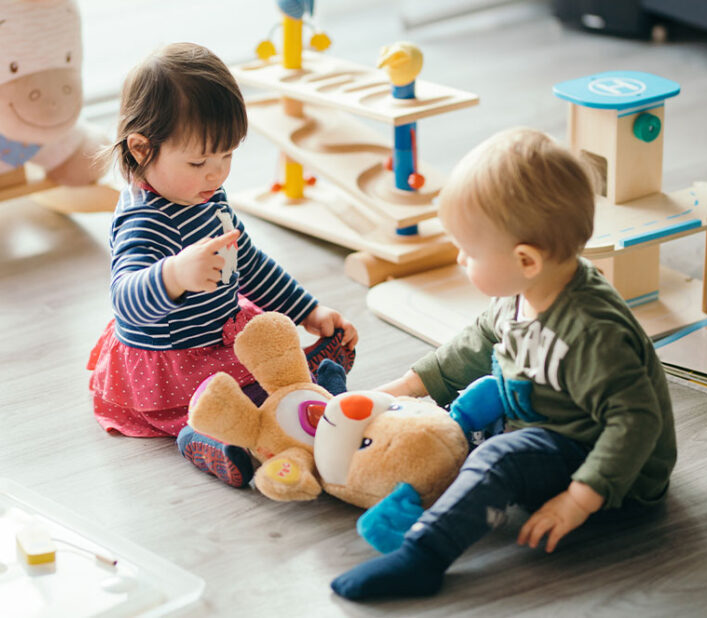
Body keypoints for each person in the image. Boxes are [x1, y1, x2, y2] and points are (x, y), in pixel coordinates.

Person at [331, 127, 676, 600]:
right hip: (543, 421)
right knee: (452, 426)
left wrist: (579, 499)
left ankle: (424, 555)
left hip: (614, 473)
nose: (459, 258)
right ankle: (416, 494)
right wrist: (401, 389)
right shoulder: (521, 293)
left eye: (469, 252)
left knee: (497, 456)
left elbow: (636, 421)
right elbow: (476, 341)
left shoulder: (593, 333)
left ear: (526, 259)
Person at [87, 43, 357, 488]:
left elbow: (247, 263)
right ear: (140, 149)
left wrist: (308, 311)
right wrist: (174, 275)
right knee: (222, 405)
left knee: (267, 356)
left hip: (220, 333)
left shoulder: (205, 195)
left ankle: (309, 384)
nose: (217, 175)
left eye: (227, 156)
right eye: (199, 161)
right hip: (172, 362)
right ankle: (206, 440)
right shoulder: (144, 221)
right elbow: (125, 301)